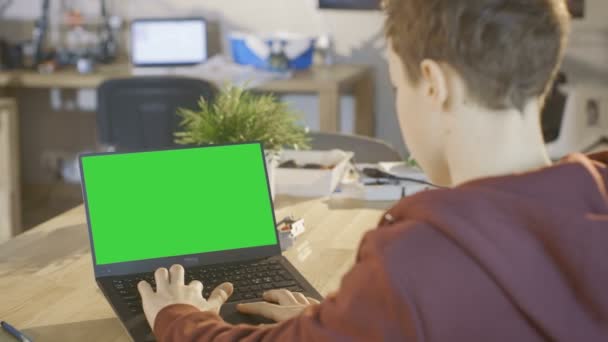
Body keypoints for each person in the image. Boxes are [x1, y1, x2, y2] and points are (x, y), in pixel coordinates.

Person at [138, 0, 608, 341]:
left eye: (397, 84)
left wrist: (178, 316)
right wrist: (344, 321)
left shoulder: (418, 259)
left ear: (434, 84)